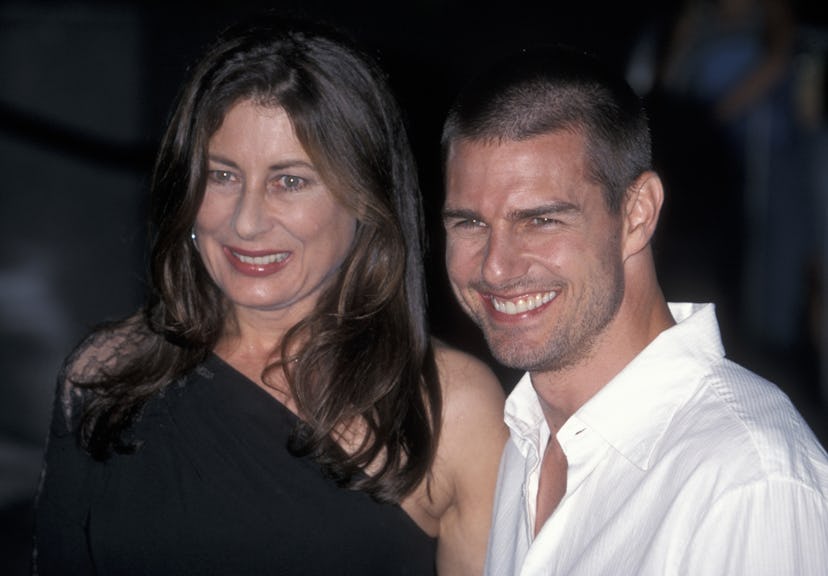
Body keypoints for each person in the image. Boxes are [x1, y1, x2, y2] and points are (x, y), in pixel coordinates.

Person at [33, 14, 507, 576]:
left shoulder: (449, 409)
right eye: (222, 175)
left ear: (363, 200)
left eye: (289, 181)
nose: (247, 222)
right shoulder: (107, 374)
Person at [440, 44, 828, 575]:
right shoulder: (528, 434)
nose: (496, 267)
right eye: (469, 224)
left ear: (638, 215)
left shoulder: (748, 482)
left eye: (542, 220)